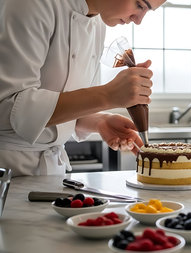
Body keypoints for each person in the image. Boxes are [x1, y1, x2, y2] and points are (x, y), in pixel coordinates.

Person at [0, 0, 166, 177]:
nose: (138, 20)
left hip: (52, 174)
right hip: (8, 170)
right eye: (140, 5)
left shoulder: (98, 24)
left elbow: (60, 104)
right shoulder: (32, 4)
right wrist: (107, 95)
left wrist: (99, 121)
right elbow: (7, 107)